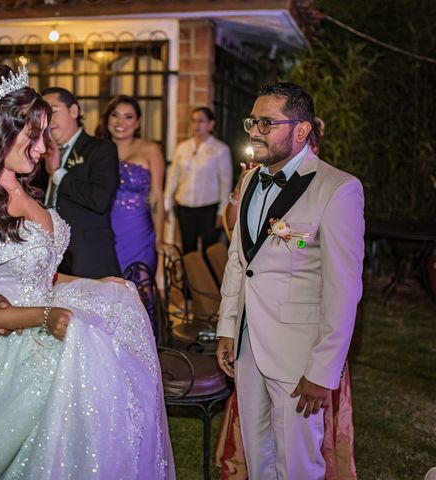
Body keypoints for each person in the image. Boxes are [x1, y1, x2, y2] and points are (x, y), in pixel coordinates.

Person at [0, 64, 174, 479]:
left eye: (45, 134)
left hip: (39, 320)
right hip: (0, 353)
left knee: (116, 319)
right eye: (33, 135)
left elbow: (38, 274)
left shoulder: (23, 189)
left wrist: (94, 283)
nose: (43, 146)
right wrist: (44, 318)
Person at [216, 82, 364, 479]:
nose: (254, 131)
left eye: (267, 123)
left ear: (301, 131)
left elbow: (343, 289)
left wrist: (323, 369)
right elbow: (238, 262)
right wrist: (228, 328)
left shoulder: (338, 189)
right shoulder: (249, 181)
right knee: (257, 455)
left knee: (298, 464)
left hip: (298, 355)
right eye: (253, 122)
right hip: (248, 348)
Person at [40, 86, 121, 278]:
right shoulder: (40, 154)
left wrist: (58, 173)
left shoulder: (101, 149)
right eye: (43, 114)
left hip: (87, 257)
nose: (48, 120)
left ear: (74, 111)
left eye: (54, 111)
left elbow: (99, 200)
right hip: (50, 260)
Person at [96, 95, 165, 273]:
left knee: (137, 285)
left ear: (138, 122)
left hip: (138, 231)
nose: (121, 122)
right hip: (102, 229)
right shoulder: (96, 151)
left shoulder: (151, 150)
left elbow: (157, 197)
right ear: (107, 119)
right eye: (115, 115)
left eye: (128, 117)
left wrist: (160, 240)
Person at [164, 106, 233, 254]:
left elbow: (226, 183)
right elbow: (173, 175)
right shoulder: (182, 147)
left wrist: (222, 211)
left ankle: (208, 277)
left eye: (201, 121)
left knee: (210, 250)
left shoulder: (220, 149)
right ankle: (189, 277)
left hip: (209, 207)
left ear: (211, 124)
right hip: (185, 206)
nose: (196, 125)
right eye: (193, 121)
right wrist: (167, 201)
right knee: (188, 250)